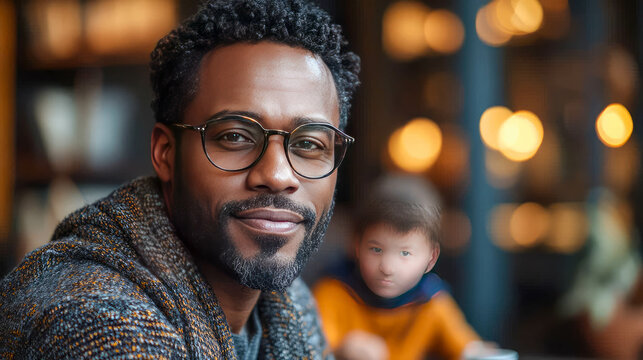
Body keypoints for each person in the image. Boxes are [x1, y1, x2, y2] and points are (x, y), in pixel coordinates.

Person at [0, 0, 360, 358]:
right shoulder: (98, 323)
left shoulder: (290, 303)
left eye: (309, 143)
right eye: (235, 136)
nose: (278, 175)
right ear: (166, 154)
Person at [313, 175, 480, 360]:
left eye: (405, 253)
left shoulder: (431, 301)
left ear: (431, 258)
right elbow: (310, 350)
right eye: (376, 249)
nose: (388, 268)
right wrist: (341, 350)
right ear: (356, 246)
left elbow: (468, 349)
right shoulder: (333, 293)